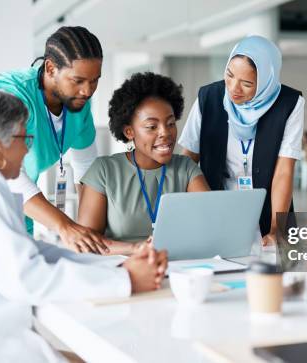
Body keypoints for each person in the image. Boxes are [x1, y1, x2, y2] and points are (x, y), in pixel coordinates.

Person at [0, 90, 167, 362]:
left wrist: (119, 266)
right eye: (24, 138)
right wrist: (125, 280)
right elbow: (25, 276)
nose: (27, 149)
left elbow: (36, 252)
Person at [0, 26, 111, 254]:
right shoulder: (9, 93)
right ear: (51, 68)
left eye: (95, 81)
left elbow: (86, 167)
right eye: (78, 80)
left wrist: (88, 229)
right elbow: (0, 166)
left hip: (19, 204)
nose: (87, 90)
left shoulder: (78, 103)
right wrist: (65, 226)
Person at [179, 35, 305, 246]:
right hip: (217, 207)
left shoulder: (289, 104)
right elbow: (187, 161)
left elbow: (284, 171)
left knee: (273, 276)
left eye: (247, 83)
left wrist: (276, 228)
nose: (234, 88)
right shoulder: (208, 97)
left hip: (269, 209)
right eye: (229, 75)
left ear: (266, 80)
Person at [78, 72, 209, 254]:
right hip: (121, 271)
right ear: (129, 132)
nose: (165, 133)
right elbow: (87, 243)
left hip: (177, 266)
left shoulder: (186, 168)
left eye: (170, 123)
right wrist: (137, 248)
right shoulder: (104, 170)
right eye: (152, 127)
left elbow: (211, 225)